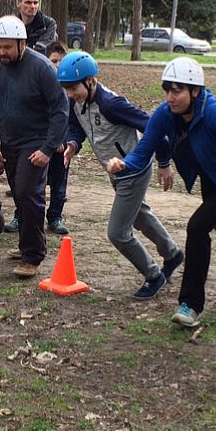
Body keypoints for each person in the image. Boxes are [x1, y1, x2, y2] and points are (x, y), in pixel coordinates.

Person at [108, 58, 216, 327]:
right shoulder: (165, 114)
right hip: (212, 180)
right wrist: (124, 164)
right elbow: (145, 150)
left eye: (177, 91)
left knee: (197, 228)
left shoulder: (214, 113)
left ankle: (190, 305)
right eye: (167, 90)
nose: (170, 97)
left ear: (195, 91)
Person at [59, 51, 184, 300]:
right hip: (115, 171)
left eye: (73, 88)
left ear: (90, 81)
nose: (70, 94)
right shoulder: (76, 103)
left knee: (117, 232)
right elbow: (76, 128)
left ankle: (153, 276)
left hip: (132, 169)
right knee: (139, 216)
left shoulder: (111, 105)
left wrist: (164, 161)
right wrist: (73, 145)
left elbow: (153, 126)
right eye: (66, 89)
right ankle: (172, 254)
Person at [0, 15, 69, 278]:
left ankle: (33, 255)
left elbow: (60, 110)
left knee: (29, 193)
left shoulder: (41, 68)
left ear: (22, 43)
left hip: (36, 142)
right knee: (19, 194)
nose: (2, 52)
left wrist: (49, 148)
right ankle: (27, 242)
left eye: (7, 47)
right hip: (9, 142)